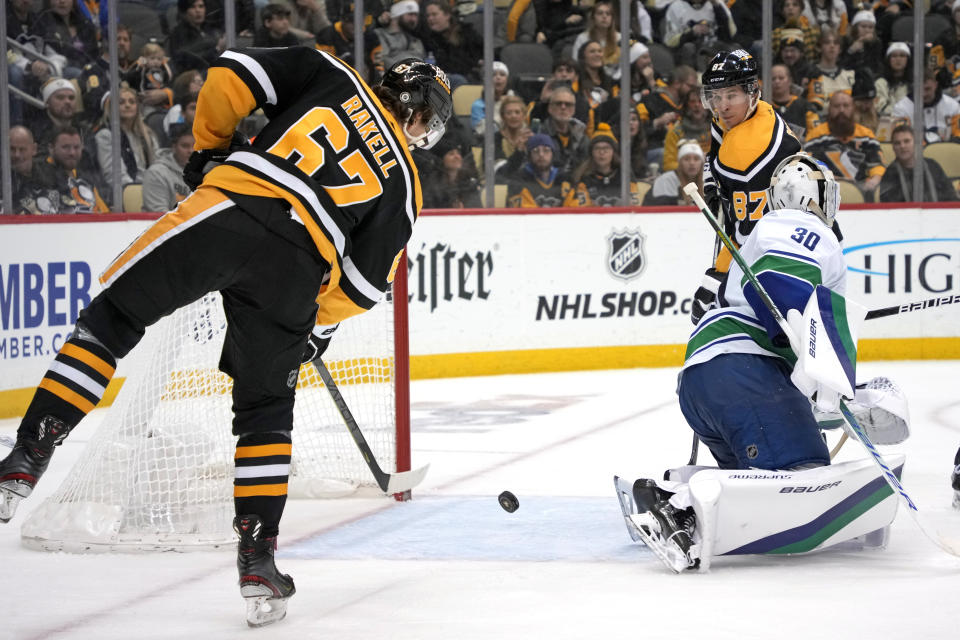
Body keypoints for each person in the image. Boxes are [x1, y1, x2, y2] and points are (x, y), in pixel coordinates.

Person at [0, 51, 451, 628]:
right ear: (417, 113)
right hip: (295, 269)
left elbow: (230, 77)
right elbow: (363, 287)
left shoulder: (329, 71)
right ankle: (258, 561)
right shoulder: (405, 185)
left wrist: (212, 149)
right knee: (265, 413)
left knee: (112, 322)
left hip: (232, 207)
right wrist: (315, 323)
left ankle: (30, 452)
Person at [619, 153, 908, 572]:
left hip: (713, 381)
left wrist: (840, 399)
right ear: (820, 198)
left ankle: (689, 494)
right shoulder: (799, 223)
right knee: (804, 474)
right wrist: (798, 322)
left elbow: (792, 336)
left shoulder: (762, 231)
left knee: (760, 493)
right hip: (746, 375)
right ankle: (675, 505)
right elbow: (778, 284)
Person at [693, 49, 802, 325]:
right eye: (716, 97)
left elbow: (747, 236)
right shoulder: (742, 116)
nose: (722, 106)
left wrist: (716, 277)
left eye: (731, 95)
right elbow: (715, 149)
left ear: (753, 92)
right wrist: (711, 183)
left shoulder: (749, 152)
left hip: (790, 257)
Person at [805, 90, 885, 196]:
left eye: (846, 106)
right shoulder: (816, 137)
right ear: (829, 109)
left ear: (853, 109)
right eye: (836, 106)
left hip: (862, 195)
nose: (841, 110)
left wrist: (874, 181)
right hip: (825, 194)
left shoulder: (867, 136)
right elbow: (807, 169)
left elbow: (877, 166)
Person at [94, 87, 160, 191]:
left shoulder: (148, 135)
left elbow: (158, 167)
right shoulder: (106, 135)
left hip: (150, 191)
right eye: (121, 102)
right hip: (125, 193)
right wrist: (134, 192)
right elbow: (114, 174)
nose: (127, 105)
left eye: (132, 102)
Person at [878, 123, 958, 202]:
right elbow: (890, 209)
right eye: (897, 143)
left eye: (907, 141)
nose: (902, 146)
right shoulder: (889, 174)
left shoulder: (933, 166)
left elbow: (951, 197)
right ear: (893, 148)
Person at [37, 125, 109, 213]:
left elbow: (104, 213)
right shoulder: (40, 176)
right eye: (66, 147)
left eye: (76, 147)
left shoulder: (86, 178)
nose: (72, 153)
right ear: (51, 148)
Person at [564, 124, 639, 207]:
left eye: (606, 148)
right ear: (591, 153)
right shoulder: (583, 177)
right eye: (597, 148)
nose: (602, 152)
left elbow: (635, 205)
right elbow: (575, 208)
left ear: (613, 152)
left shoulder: (625, 175)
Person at [636, 65, 698, 164]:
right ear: (677, 83)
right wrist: (657, 122)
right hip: (654, 149)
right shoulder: (650, 100)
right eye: (690, 86)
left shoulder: (688, 105)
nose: (693, 91)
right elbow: (636, 131)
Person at [29, 0, 99, 79]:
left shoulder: (84, 23)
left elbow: (93, 55)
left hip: (86, 71)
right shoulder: (40, 22)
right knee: (77, 73)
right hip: (56, 73)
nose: (62, 1)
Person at [420, 0, 483, 87]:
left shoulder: (466, 33)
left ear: (447, 15)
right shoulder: (428, 39)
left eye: (434, 14)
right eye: (428, 16)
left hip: (468, 77)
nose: (430, 18)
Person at [663, 0, 738, 71]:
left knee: (735, 48)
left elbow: (730, 35)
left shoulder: (718, 4)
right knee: (689, 48)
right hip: (693, 50)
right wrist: (692, 33)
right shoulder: (676, 7)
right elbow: (670, 42)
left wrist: (717, 9)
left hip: (716, 46)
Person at [891, 68, 960, 144]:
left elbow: (958, 135)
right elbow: (900, 139)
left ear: (935, 85)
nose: (924, 94)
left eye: (927, 89)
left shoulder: (952, 106)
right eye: (920, 89)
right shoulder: (901, 108)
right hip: (914, 153)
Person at [6, 125, 63, 215]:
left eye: (22, 149)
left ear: (34, 149)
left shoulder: (51, 173)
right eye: (12, 149)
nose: (17, 155)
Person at [506, 133, 571, 207]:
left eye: (546, 150)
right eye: (535, 151)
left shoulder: (565, 179)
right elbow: (525, 215)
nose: (541, 154)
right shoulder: (519, 180)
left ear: (552, 154)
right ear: (530, 156)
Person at [142, 124, 195, 212]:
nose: (191, 151)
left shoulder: (207, 172)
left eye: (195, 146)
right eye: (185, 146)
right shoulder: (156, 173)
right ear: (174, 147)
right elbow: (159, 214)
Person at [805, 27, 854, 122]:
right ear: (819, 47)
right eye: (827, 43)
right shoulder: (811, 74)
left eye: (836, 43)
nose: (832, 46)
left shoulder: (849, 74)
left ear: (840, 49)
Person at [540, 85, 589, 176]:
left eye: (568, 104)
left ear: (573, 110)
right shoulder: (539, 135)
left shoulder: (581, 138)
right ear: (550, 108)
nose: (563, 107)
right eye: (558, 103)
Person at [420, 137, 481, 209]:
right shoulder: (432, 183)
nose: (457, 157)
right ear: (442, 160)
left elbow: (477, 208)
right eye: (451, 154)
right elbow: (428, 208)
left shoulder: (469, 182)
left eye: (458, 153)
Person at [168, 0, 225, 74]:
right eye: (192, 7)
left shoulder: (212, 30)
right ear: (184, 11)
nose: (198, 10)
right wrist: (217, 49)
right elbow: (189, 59)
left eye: (201, 6)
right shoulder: (178, 34)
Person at [662, 89, 710, 173]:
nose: (697, 105)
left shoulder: (718, 127)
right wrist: (693, 164)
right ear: (686, 105)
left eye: (700, 101)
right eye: (692, 102)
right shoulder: (675, 132)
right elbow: (668, 165)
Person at [644, 139, 704, 206]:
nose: (692, 163)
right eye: (686, 159)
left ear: (702, 163)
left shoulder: (708, 180)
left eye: (696, 159)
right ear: (679, 162)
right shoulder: (665, 180)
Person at [570, 1, 620, 78]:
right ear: (593, 18)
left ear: (612, 18)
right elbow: (576, 63)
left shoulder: (620, 38)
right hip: (588, 79)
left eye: (608, 14)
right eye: (600, 13)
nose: (604, 16)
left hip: (615, 80)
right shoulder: (583, 38)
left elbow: (625, 66)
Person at [374, 0, 426, 70]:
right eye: (410, 14)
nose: (414, 19)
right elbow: (381, 61)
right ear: (397, 14)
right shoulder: (379, 34)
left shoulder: (416, 40)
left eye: (416, 15)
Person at [769, 62, 815, 136]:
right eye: (773, 79)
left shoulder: (804, 106)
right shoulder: (761, 106)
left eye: (781, 78)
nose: (777, 81)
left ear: (790, 80)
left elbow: (815, 132)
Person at [471, 62, 514, 135]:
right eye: (493, 75)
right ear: (485, 80)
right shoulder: (478, 105)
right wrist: (499, 105)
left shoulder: (513, 101)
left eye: (502, 75)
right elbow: (483, 131)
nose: (498, 77)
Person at [771, 0, 819, 65]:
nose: (790, 8)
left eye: (795, 5)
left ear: (801, 9)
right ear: (783, 11)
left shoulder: (812, 33)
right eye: (787, 5)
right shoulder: (775, 34)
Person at [840, 9, 883, 76]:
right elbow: (840, 65)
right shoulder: (845, 41)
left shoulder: (876, 43)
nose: (867, 30)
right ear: (855, 27)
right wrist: (851, 50)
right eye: (863, 26)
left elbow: (875, 66)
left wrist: (861, 41)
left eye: (870, 27)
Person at [875, 42, 912, 117]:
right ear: (889, 60)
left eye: (902, 56)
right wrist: (898, 114)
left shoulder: (914, 83)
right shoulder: (880, 83)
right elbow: (879, 106)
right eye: (894, 56)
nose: (898, 59)